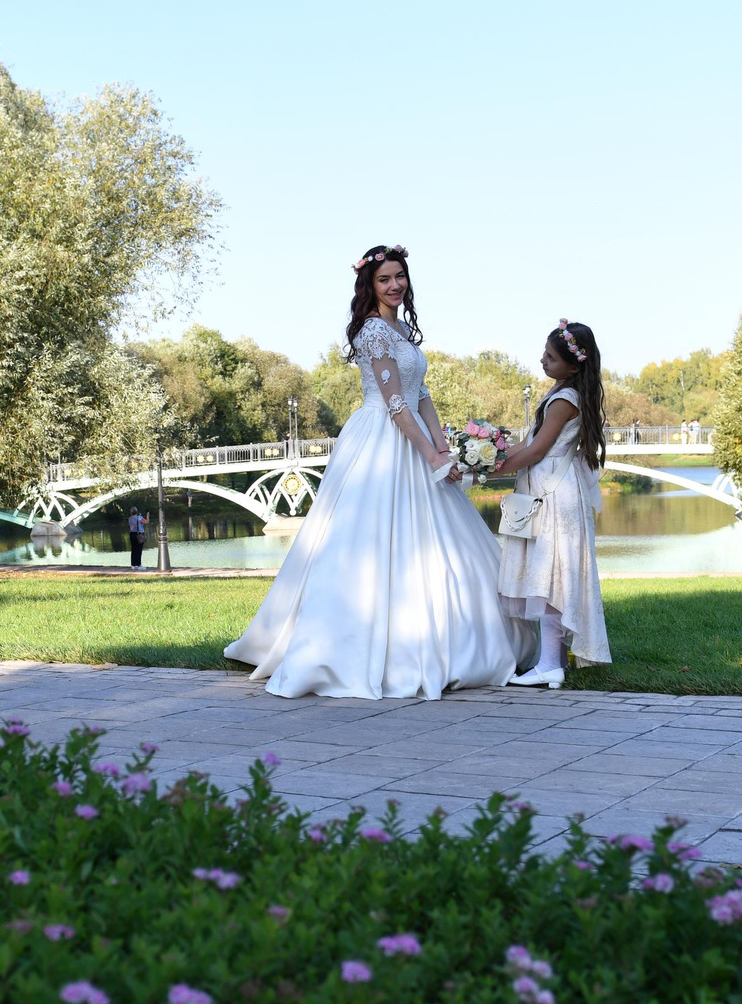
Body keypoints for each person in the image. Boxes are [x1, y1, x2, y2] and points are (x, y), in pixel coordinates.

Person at [224, 245, 529, 698]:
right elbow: (395, 404)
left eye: (400, 276)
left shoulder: (402, 329)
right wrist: (429, 457)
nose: (394, 285)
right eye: (384, 279)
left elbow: (421, 394)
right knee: (364, 540)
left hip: (414, 431)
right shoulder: (371, 332)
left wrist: (444, 447)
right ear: (370, 285)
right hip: (380, 437)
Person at [491, 318, 613, 687]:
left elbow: (538, 449)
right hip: (552, 489)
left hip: (553, 496)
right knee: (552, 575)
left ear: (573, 366)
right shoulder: (564, 392)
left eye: (550, 357)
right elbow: (528, 443)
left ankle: (549, 666)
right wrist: (489, 459)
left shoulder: (563, 400)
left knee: (548, 575)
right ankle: (554, 660)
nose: (542, 360)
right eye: (544, 353)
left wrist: (491, 472)